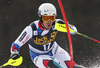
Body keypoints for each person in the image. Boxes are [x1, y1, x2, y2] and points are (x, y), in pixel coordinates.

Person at [10, 3, 85, 68]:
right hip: (38, 56)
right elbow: (16, 44)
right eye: (46, 18)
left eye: (52, 18)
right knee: (53, 65)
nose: (49, 21)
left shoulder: (57, 24)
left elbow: (74, 31)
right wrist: (14, 54)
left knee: (72, 66)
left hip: (54, 49)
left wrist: (67, 27)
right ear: (41, 18)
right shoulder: (32, 29)